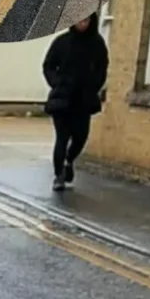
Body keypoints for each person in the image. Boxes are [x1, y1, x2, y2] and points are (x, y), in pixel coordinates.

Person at [42, 14, 109, 191]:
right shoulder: (62, 42)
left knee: (80, 136)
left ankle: (68, 160)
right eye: (79, 20)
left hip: (83, 99)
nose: (82, 24)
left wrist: (93, 86)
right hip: (62, 98)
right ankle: (58, 176)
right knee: (62, 137)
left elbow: (102, 69)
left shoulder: (96, 43)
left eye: (86, 21)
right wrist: (57, 83)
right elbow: (48, 66)